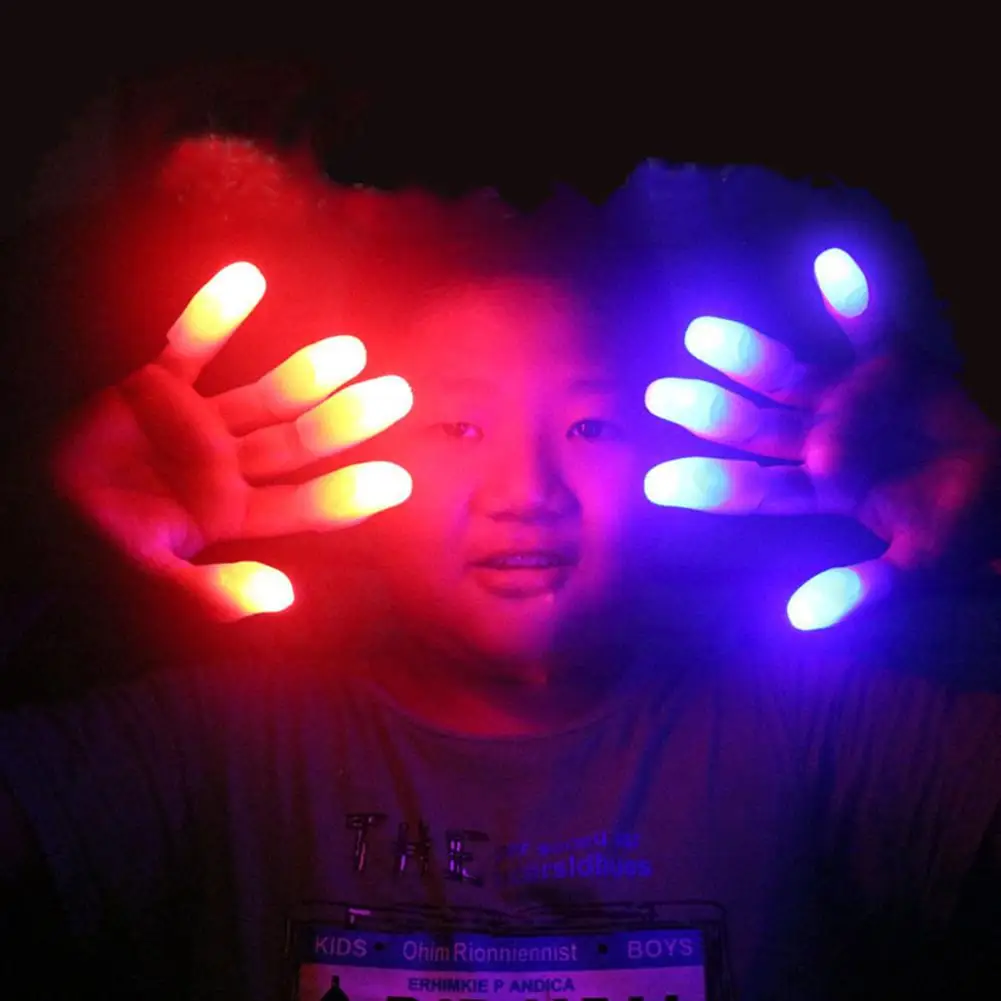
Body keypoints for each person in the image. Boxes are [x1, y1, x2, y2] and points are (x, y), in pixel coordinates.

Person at [1, 137, 1000, 1001]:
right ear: (349, 440)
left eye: (589, 425)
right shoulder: (217, 742)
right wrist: (30, 534)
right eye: (459, 426)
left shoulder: (813, 733)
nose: (526, 490)